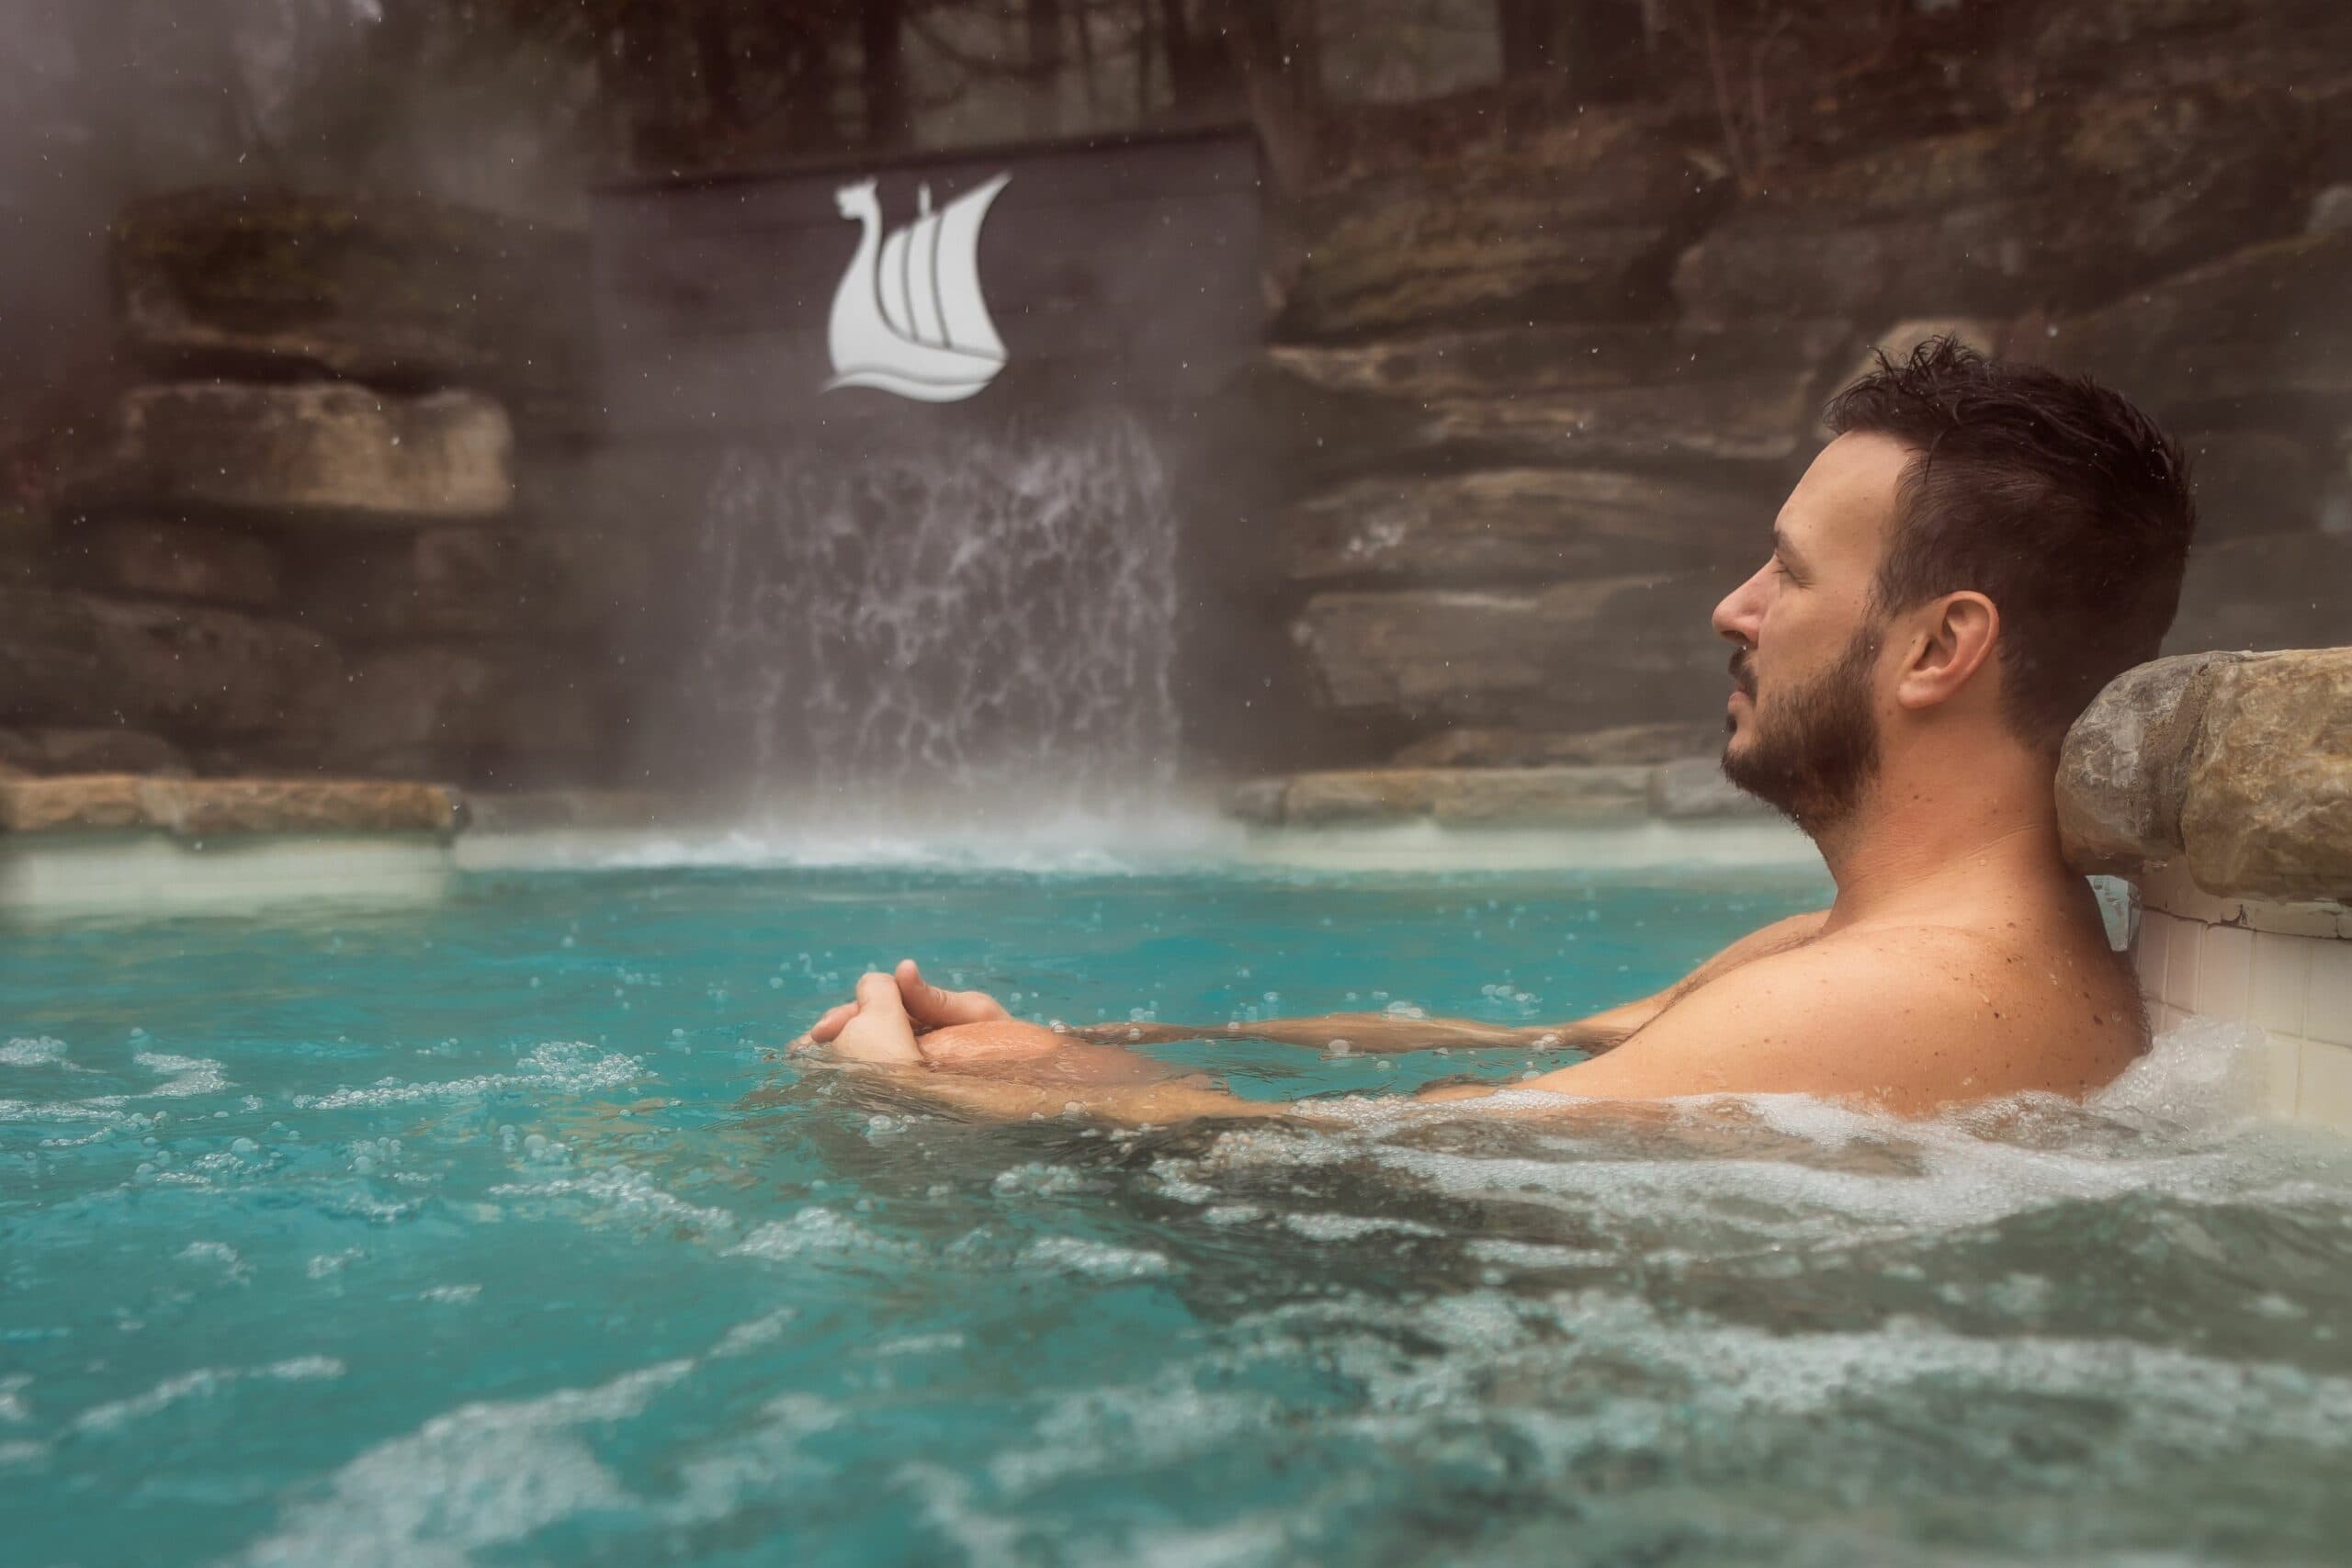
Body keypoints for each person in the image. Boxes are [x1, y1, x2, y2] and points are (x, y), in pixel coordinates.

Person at [795, 337, 2197, 1122]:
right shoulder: (1843, 952)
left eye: (1789, 572)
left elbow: (1339, 1166)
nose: (1734, 607)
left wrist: (921, 1103)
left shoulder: (1892, 998)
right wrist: (1057, 1044)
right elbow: (1509, 1041)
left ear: (1942, 647)